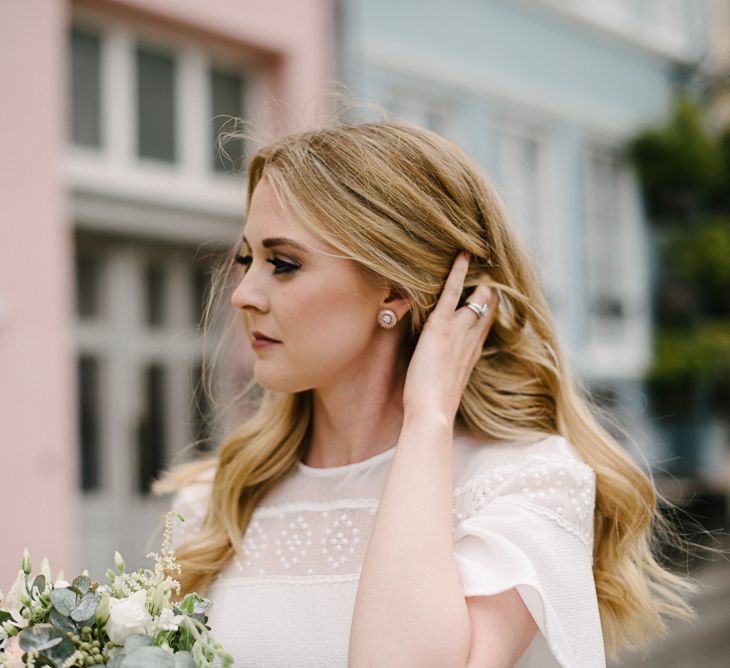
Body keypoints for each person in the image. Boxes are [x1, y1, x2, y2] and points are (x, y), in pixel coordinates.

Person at [153, 121, 697, 667]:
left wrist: (428, 417)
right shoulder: (218, 497)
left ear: (394, 288)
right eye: (246, 259)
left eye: (284, 264)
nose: (243, 294)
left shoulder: (524, 485)